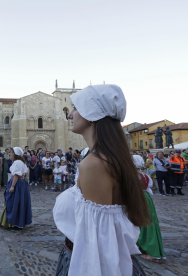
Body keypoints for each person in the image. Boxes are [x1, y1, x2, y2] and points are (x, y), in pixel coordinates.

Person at [53, 84, 148, 275]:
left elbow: (99, 244)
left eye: (76, 109)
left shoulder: (94, 165)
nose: (70, 115)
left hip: (88, 262)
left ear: (91, 114)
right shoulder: (109, 158)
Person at [132, 155, 166, 263]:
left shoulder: (132, 175)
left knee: (141, 222)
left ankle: (150, 251)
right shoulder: (145, 175)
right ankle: (143, 247)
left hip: (138, 198)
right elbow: (148, 188)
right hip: (146, 198)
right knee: (147, 222)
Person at [0, 147, 32, 229]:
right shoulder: (21, 162)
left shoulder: (17, 162)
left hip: (17, 183)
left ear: (16, 154)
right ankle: (15, 221)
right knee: (19, 202)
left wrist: (12, 186)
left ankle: (11, 222)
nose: (10, 154)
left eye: (11, 153)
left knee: (13, 201)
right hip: (21, 184)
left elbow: (17, 175)